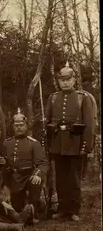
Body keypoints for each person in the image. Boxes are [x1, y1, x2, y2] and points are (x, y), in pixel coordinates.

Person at [46, 62, 95, 222]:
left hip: (75, 143)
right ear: (58, 81)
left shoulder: (83, 98)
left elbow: (89, 124)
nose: (65, 82)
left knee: (73, 178)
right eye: (62, 79)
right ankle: (62, 208)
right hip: (58, 143)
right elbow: (47, 122)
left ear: (74, 80)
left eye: (68, 79)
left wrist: (86, 146)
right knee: (60, 177)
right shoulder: (53, 98)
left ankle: (74, 209)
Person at [0, 110, 49, 223]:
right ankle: (22, 211)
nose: (19, 128)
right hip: (13, 177)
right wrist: (4, 183)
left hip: (28, 176)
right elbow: (4, 163)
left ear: (26, 126)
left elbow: (43, 163)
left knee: (35, 181)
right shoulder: (7, 143)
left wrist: (37, 174)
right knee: (17, 206)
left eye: (21, 125)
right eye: (16, 125)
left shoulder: (33, 143)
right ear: (12, 127)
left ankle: (34, 211)